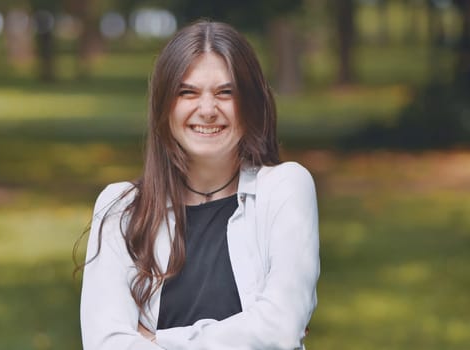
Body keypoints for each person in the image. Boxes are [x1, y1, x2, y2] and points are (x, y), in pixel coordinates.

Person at [79, 20, 320, 350]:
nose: (207, 110)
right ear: (165, 106)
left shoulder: (285, 189)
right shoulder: (121, 208)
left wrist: (157, 339)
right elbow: (105, 344)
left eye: (225, 92)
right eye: (187, 92)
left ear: (250, 103)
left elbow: (279, 328)